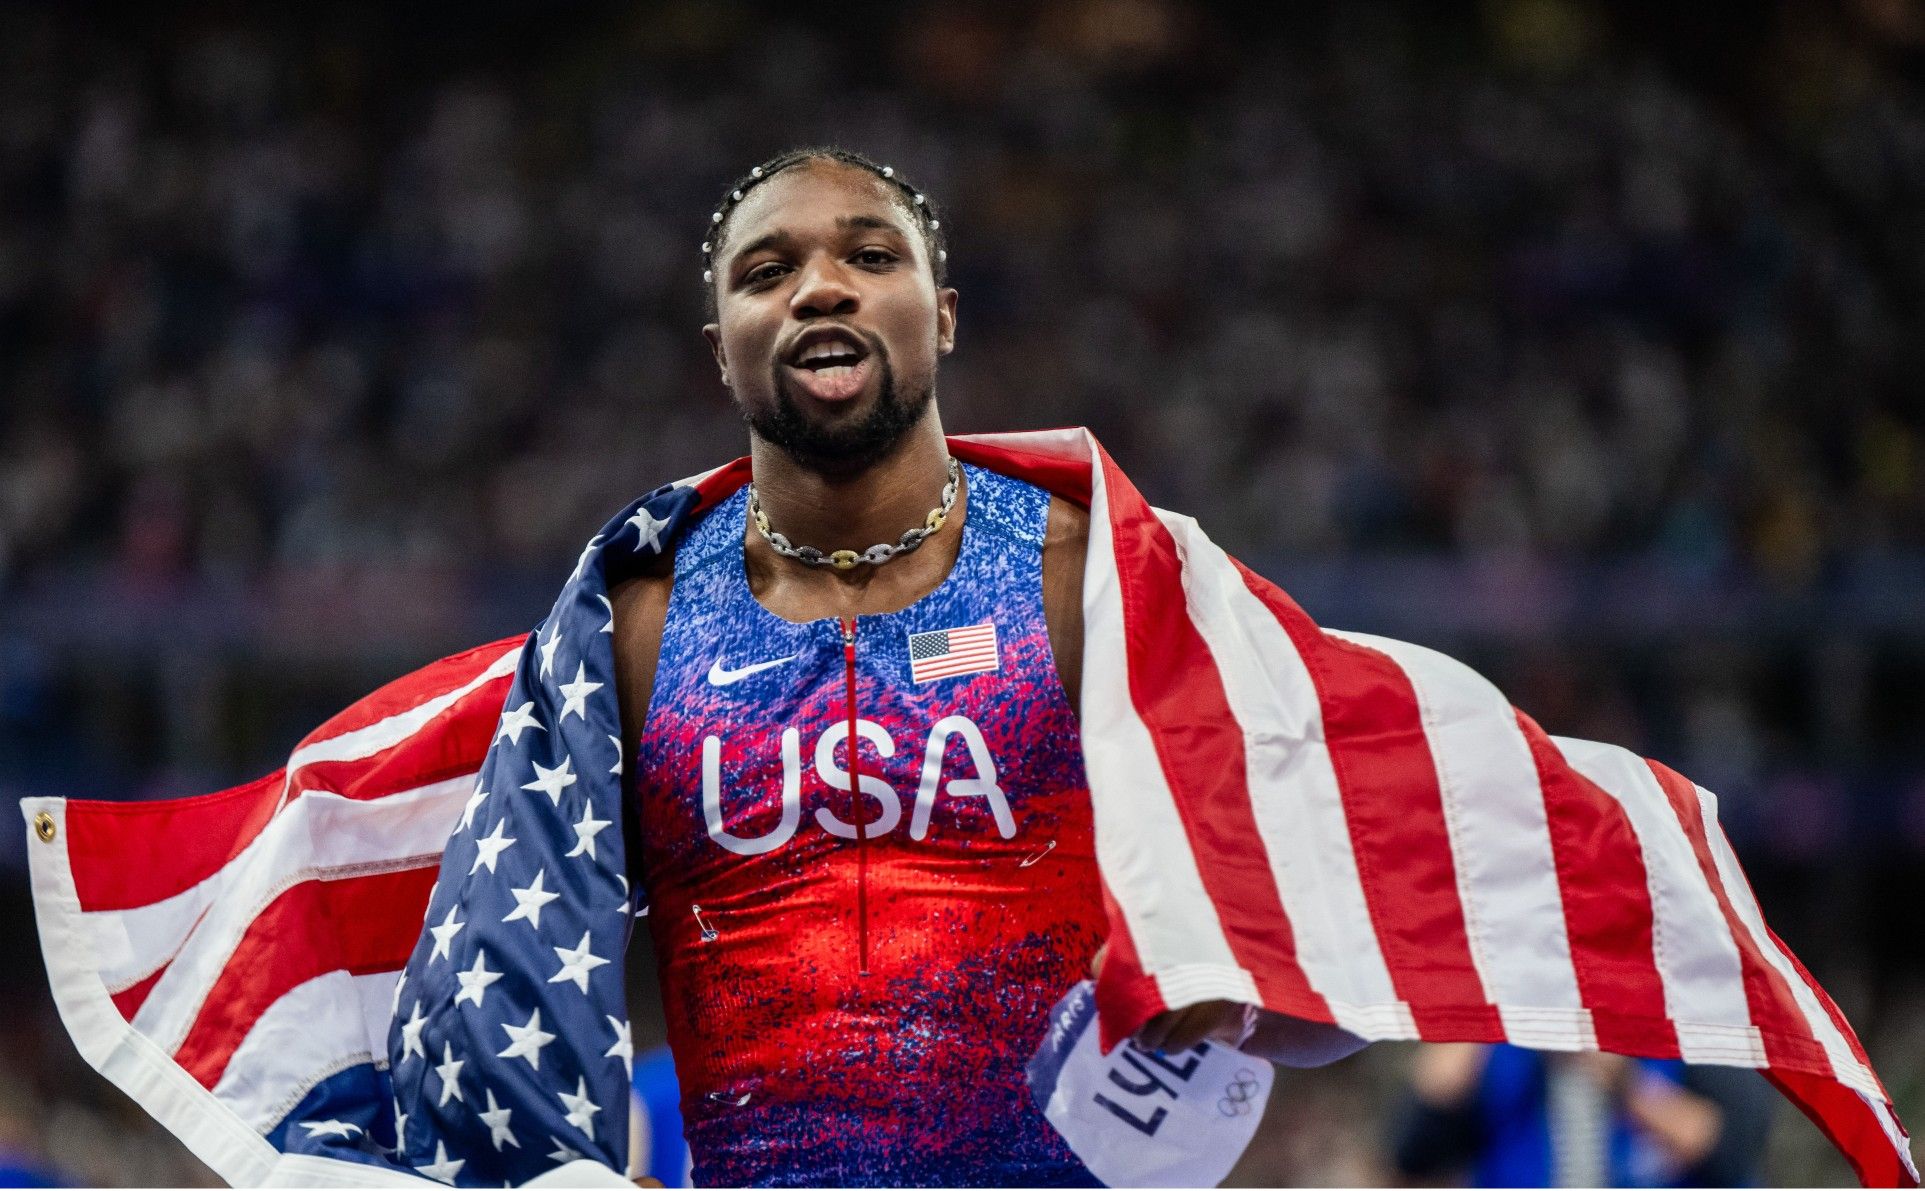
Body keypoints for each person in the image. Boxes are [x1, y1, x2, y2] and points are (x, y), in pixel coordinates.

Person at [605, 146, 1354, 1186]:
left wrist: (1226, 991)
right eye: (765, 272)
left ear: (943, 314)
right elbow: (517, 968)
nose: (821, 286)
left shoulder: (1094, 581)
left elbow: (1352, 976)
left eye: (870, 254)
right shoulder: (634, 627)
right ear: (719, 351)